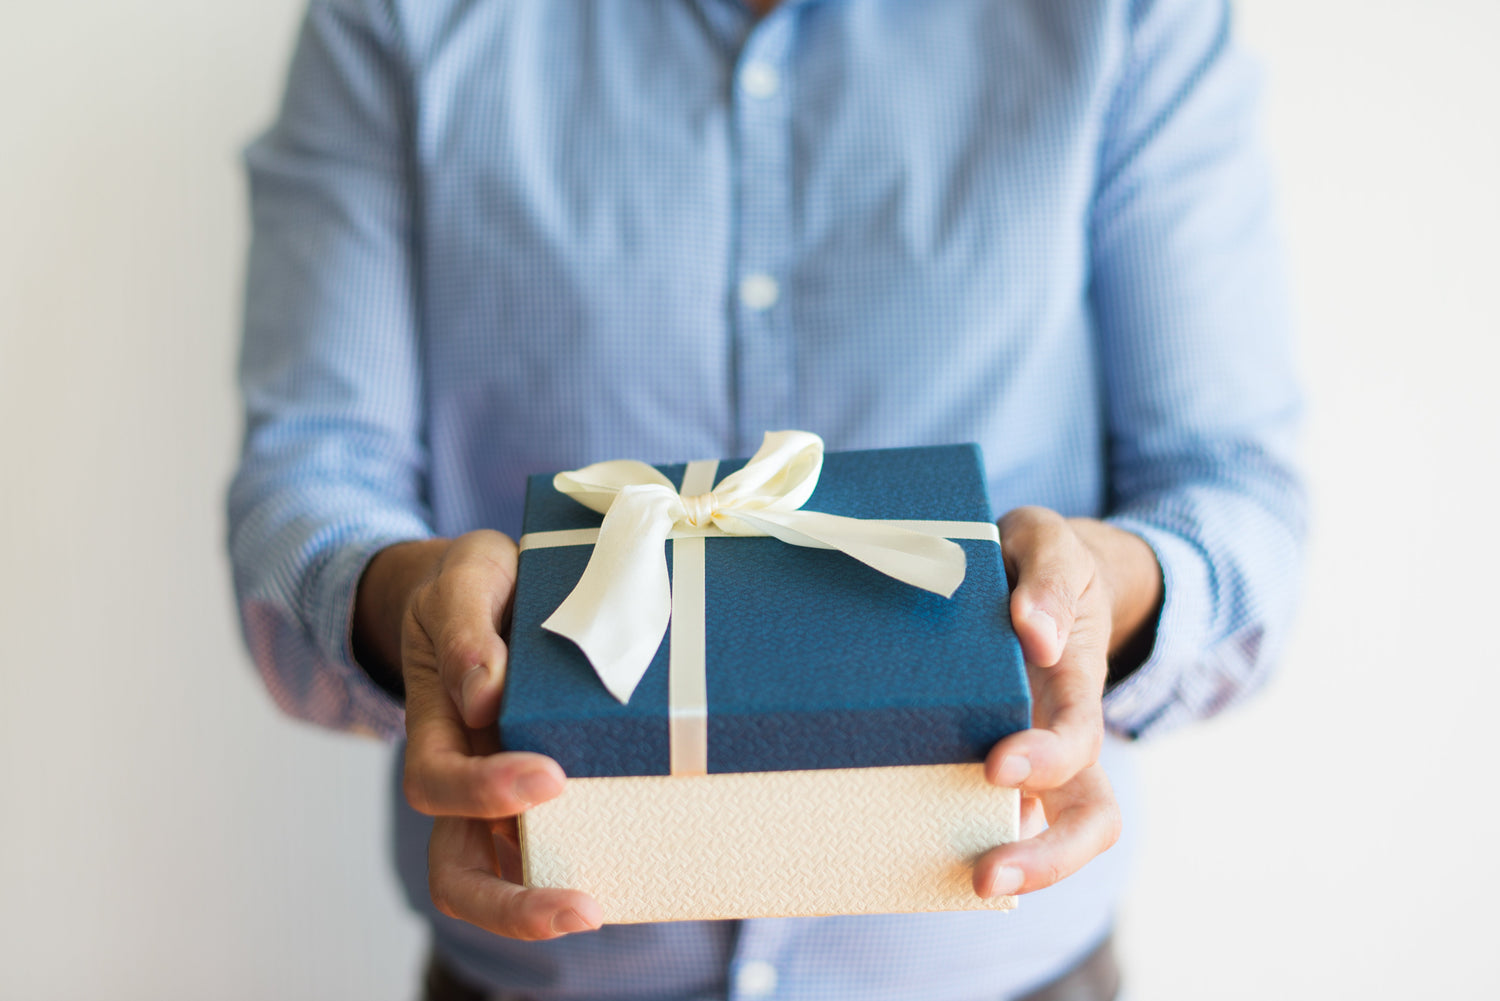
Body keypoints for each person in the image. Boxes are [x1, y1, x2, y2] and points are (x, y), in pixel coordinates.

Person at [228, 0, 1305, 998]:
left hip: (1003, 962)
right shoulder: (398, 21)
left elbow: (1233, 486)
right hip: (543, 961)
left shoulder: (1128, 20)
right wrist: (394, 604)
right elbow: (311, 473)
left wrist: (1106, 596)